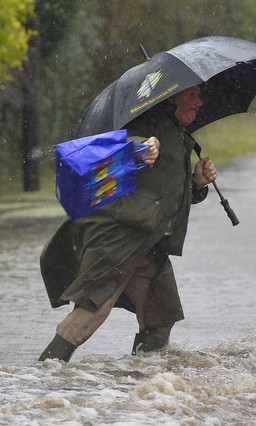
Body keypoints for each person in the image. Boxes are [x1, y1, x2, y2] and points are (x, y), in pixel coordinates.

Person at [39, 85, 217, 361]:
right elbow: (126, 146)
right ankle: (42, 378)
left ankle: (144, 381)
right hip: (120, 239)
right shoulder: (148, 122)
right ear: (172, 96)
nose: (199, 103)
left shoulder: (178, 135)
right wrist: (137, 151)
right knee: (90, 313)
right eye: (192, 95)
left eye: (199, 96)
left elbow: (164, 194)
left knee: (160, 317)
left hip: (149, 245)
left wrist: (197, 182)